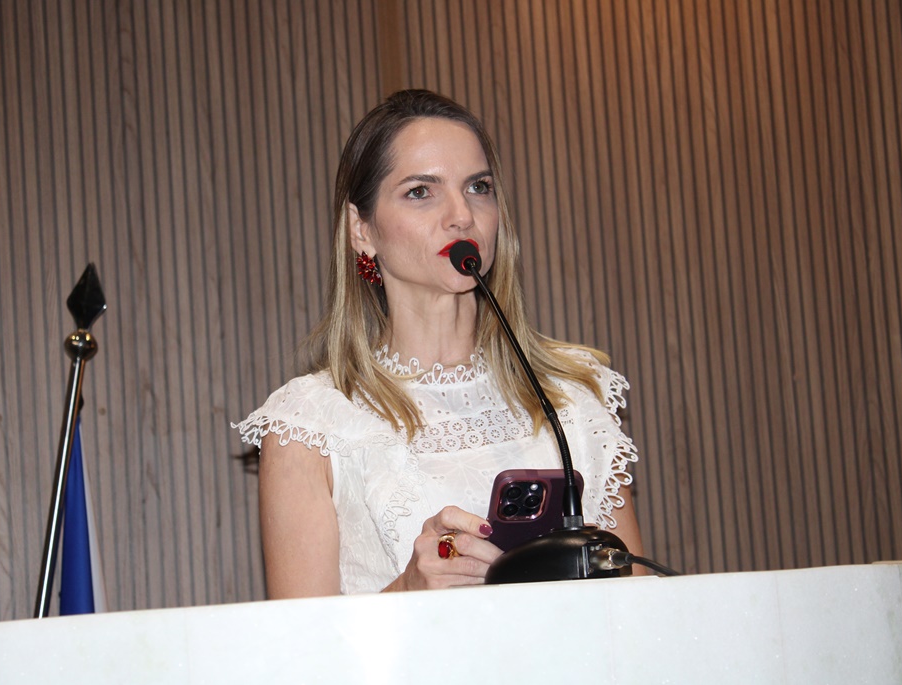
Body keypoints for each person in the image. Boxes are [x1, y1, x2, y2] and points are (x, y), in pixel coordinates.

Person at [236, 89, 644, 598]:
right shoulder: (310, 423)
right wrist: (408, 591)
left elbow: (641, 605)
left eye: (478, 187)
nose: (462, 215)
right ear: (362, 231)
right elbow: (300, 643)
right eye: (420, 192)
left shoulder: (573, 399)